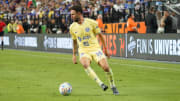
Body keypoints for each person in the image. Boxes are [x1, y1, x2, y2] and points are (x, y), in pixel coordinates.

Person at [69, 5, 119, 95]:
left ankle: (113, 86)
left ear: (79, 13)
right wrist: (74, 55)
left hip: (95, 49)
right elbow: (74, 41)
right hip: (84, 50)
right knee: (85, 64)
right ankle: (101, 84)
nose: (71, 16)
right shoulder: (72, 27)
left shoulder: (91, 22)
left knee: (106, 67)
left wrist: (106, 49)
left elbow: (100, 35)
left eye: (73, 14)